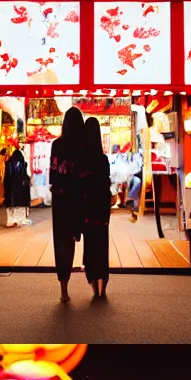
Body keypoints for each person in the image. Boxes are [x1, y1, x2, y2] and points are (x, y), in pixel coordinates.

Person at [49, 106, 87, 304]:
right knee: (75, 239)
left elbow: (53, 174)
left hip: (60, 198)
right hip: (78, 198)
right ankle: (95, 281)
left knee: (61, 242)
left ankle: (63, 288)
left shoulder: (57, 144)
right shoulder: (83, 146)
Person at [81, 118, 111, 301]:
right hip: (101, 208)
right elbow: (106, 183)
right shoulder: (103, 158)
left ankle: (93, 283)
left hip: (86, 208)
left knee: (90, 246)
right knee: (102, 245)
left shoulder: (81, 158)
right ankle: (103, 284)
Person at [3, 145, 32, 227]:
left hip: (10, 189)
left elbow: (6, 178)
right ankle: (20, 220)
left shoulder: (8, 164)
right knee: (20, 205)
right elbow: (27, 176)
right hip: (21, 190)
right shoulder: (23, 164)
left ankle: (11, 221)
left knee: (11, 206)